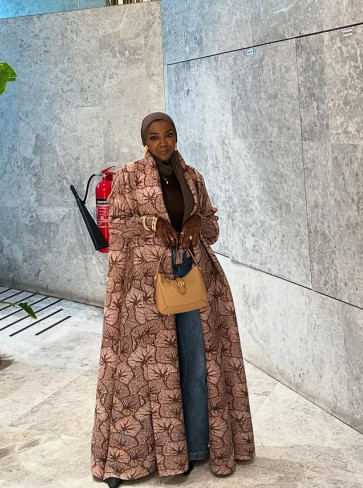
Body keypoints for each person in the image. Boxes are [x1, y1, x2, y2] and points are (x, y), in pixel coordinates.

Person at [91, 112, 255, 486]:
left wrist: (197, 223)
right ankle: (131, 458)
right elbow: (118, 226)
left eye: (168, 134)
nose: (163, 142)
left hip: (192, 277)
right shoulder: (130, 176)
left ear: (176, 137)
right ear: (144, 141)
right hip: (147, 287)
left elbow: (212, 227)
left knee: (196, 363)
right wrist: (153, 224)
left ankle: (195, 449)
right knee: (146, 370)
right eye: (154, 137)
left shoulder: (192, 177)